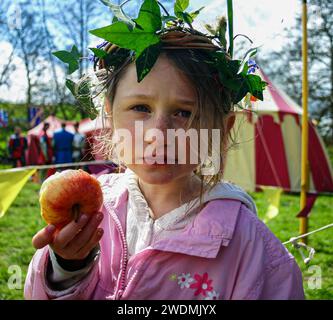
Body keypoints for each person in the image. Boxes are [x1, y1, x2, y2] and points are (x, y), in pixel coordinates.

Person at [24, 5, 304, 300]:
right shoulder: (91, 210)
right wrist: (66, 267)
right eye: (140, 108)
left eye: (184, 113)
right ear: (109, 114)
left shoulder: (256, 254)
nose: (158, 133)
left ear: (222, 127)